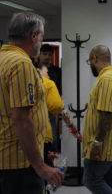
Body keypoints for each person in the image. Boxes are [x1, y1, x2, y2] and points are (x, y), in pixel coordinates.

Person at [0, 12, 64, 194]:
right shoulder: (21, 64)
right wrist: (40, 165)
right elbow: (22, 118)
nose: (41, 41)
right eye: (42, 36)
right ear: (33, 36)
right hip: (20, 163)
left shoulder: (3, 59)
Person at [83, 45, 112, 194]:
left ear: (95, 58)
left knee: (92, 180)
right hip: (110, 144)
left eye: (90, 61)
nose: (91, 65)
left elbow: (106, 114)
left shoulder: (107, 79)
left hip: (103, 146)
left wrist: (97, 142)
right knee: (111, 178)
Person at [34, 62, 64, 166]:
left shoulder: (23, 83)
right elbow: (56, 106)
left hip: (25, 133)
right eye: (46, 72)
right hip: (44, 133)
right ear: (38, 71)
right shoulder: (48, 83)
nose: (48, 75)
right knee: (45, 164)